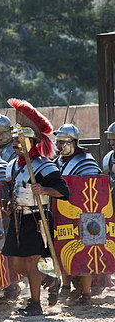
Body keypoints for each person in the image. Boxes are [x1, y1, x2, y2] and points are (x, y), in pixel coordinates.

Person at [2, 98, 69, 316]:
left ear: (31, 142)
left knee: (30, 264)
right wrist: (10, 204)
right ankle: (49, 280)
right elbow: (15, 188)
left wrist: (44, 190)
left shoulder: (44, 165)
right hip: (18, 218)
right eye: (14, 141)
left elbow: (64, 191)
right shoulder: (14, 166)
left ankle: (34, 305)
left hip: (36, 219)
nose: (15, 145)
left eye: (19, 141)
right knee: (16, 264)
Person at [53, 124, 103, 305]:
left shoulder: (86, 162)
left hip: (84, 218)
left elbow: (93, 192)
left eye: (62, 142)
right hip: (62, 215)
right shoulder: (57, 162)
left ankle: (87, 293)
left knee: (84, 254)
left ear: (73, 143)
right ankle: (67, 286)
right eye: (57, 142)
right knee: (62, 250)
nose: (58, 146)